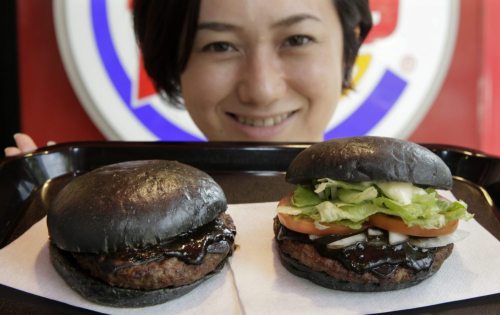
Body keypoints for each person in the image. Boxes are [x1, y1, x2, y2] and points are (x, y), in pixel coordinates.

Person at [5, 0, 372, 156]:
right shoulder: (120, 212)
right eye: (220, 46)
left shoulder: (415, 213)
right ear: (169, 55)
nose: (261, 90)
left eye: (297, 40)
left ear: (350, 41)